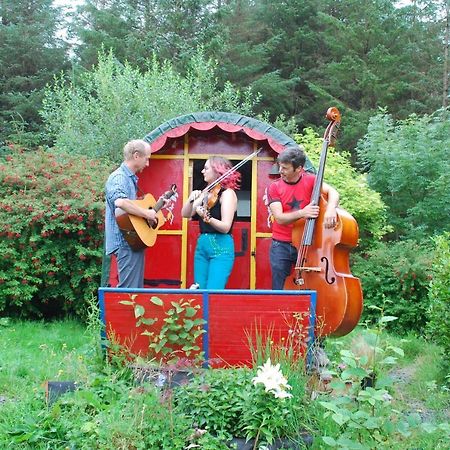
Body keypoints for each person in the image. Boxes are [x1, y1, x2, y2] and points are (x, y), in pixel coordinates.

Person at [267, 146, 340, 290]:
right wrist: (303, 213)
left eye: (285, 168)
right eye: (280, 167)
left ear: (299, 168)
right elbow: (280, 218)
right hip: (281, 244)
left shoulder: (311, 181)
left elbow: (334, 193)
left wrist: (331, 209)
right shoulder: (274, 187)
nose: (280, 171)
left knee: (310, 283)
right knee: (279, 287)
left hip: (307, 245)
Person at [181, 156, 241, 289]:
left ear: (217, 170)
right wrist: (190, 199)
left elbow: (225, 227)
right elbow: (185, 214)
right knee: (199, 289)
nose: (202, 171)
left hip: (220, 245)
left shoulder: (227, 194)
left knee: (214, 290)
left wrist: (208, 218)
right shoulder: (205, 192)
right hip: (202, 244)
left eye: (206, 168)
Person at [105, 139, 156, 288]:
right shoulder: (119, 177)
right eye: (146, 159)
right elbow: (120, 202)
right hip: (125, 242)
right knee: (129, 293)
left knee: (134, 291)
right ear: (136, 156)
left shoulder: (129, 179)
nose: (147, 164)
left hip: (132, 241)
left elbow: (128, 212)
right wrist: (146, 214)